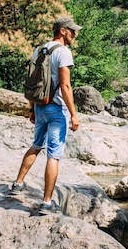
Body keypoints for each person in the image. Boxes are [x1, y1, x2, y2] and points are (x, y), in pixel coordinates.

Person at [9, 16, 82, 214]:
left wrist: (32, 108)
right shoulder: (63, 53)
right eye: (72, 31)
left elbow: (32, 82)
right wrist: (74, 115)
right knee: (54, 155)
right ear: (63, 31)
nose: (75, 34)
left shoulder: (39, 50)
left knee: (36, 144)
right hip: (57, 109)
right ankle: (47, 202)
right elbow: (66, 86)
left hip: (40, 106)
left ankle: (17, 184)